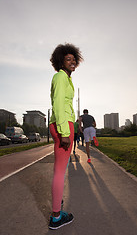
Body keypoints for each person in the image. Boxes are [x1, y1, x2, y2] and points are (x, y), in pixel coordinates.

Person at [49, 43, 83, 229]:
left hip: (64, 124)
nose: (72, 61)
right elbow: (58, 104)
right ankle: (56, 217)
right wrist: (64, 131)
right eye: (68, 59)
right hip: (63, 125)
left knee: (60, 169)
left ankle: (57, 208)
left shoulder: (66, 79)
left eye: (74, 59)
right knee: (60, 171)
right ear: (60, 61)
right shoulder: (60, 77)